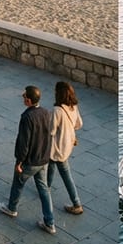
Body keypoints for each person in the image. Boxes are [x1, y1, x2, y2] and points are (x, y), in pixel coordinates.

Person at [0, 85, 55, 234]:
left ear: (29, 100)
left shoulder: (27, 116)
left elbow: (24, 142)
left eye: (24, 97)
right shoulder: (45, 112)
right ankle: (50, 222)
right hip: (43, 159)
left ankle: (12, 208)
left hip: (30, 160)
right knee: (44, 190)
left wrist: (19, 162)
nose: (23, 98)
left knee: (18, 183)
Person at [48, 81, 84, 215]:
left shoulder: (57, 110)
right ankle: (46, 187)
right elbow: (79, 123)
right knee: (52, 166)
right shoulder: (73, 106)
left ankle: (77, 203)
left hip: (57, 147)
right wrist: (69, 129)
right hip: (68, 145)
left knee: (64, 173)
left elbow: (51, 131)